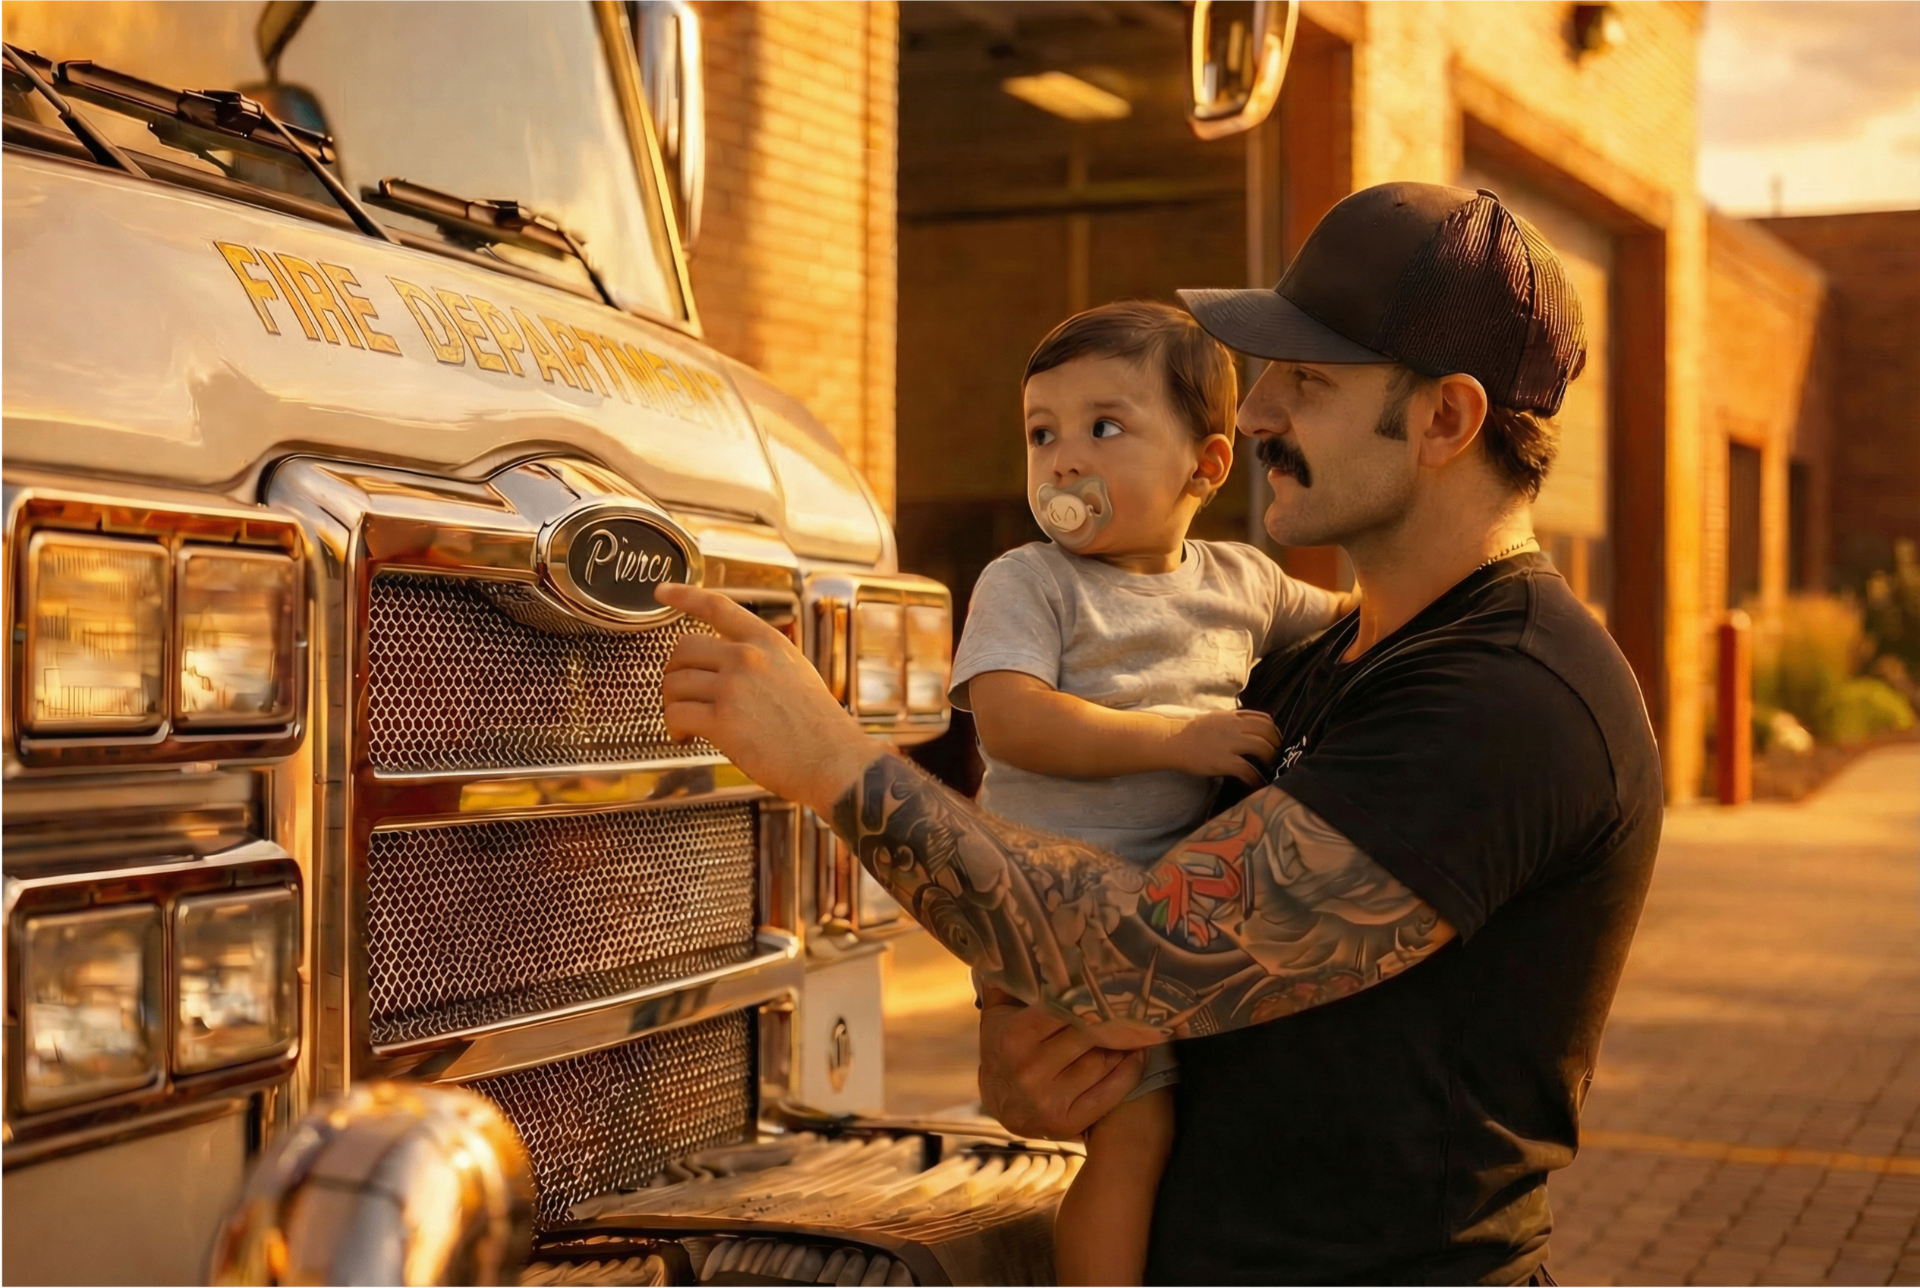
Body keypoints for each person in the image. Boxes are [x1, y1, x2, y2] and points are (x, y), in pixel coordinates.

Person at [657, 181, 1663, 1286]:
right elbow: (1104, 975)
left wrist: (831, 760)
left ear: (1446, 419)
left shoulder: (1507, 700)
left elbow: (1141, 953)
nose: (1257, 414)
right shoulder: (1301, 661)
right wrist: (1031, 1043)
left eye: (1308, 383)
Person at [953, 299, 1351, 1286]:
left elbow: (1359, 619)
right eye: (1041, 433)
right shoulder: (1030, 582)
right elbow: (1010, 721)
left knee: (1158, 1129)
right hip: (1043, 900)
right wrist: (1177, 739)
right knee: (1133, 1136)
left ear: (1207, 467)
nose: (1063, 459)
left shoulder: (1244, 583)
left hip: (1158, 921)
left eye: (1105, 426)